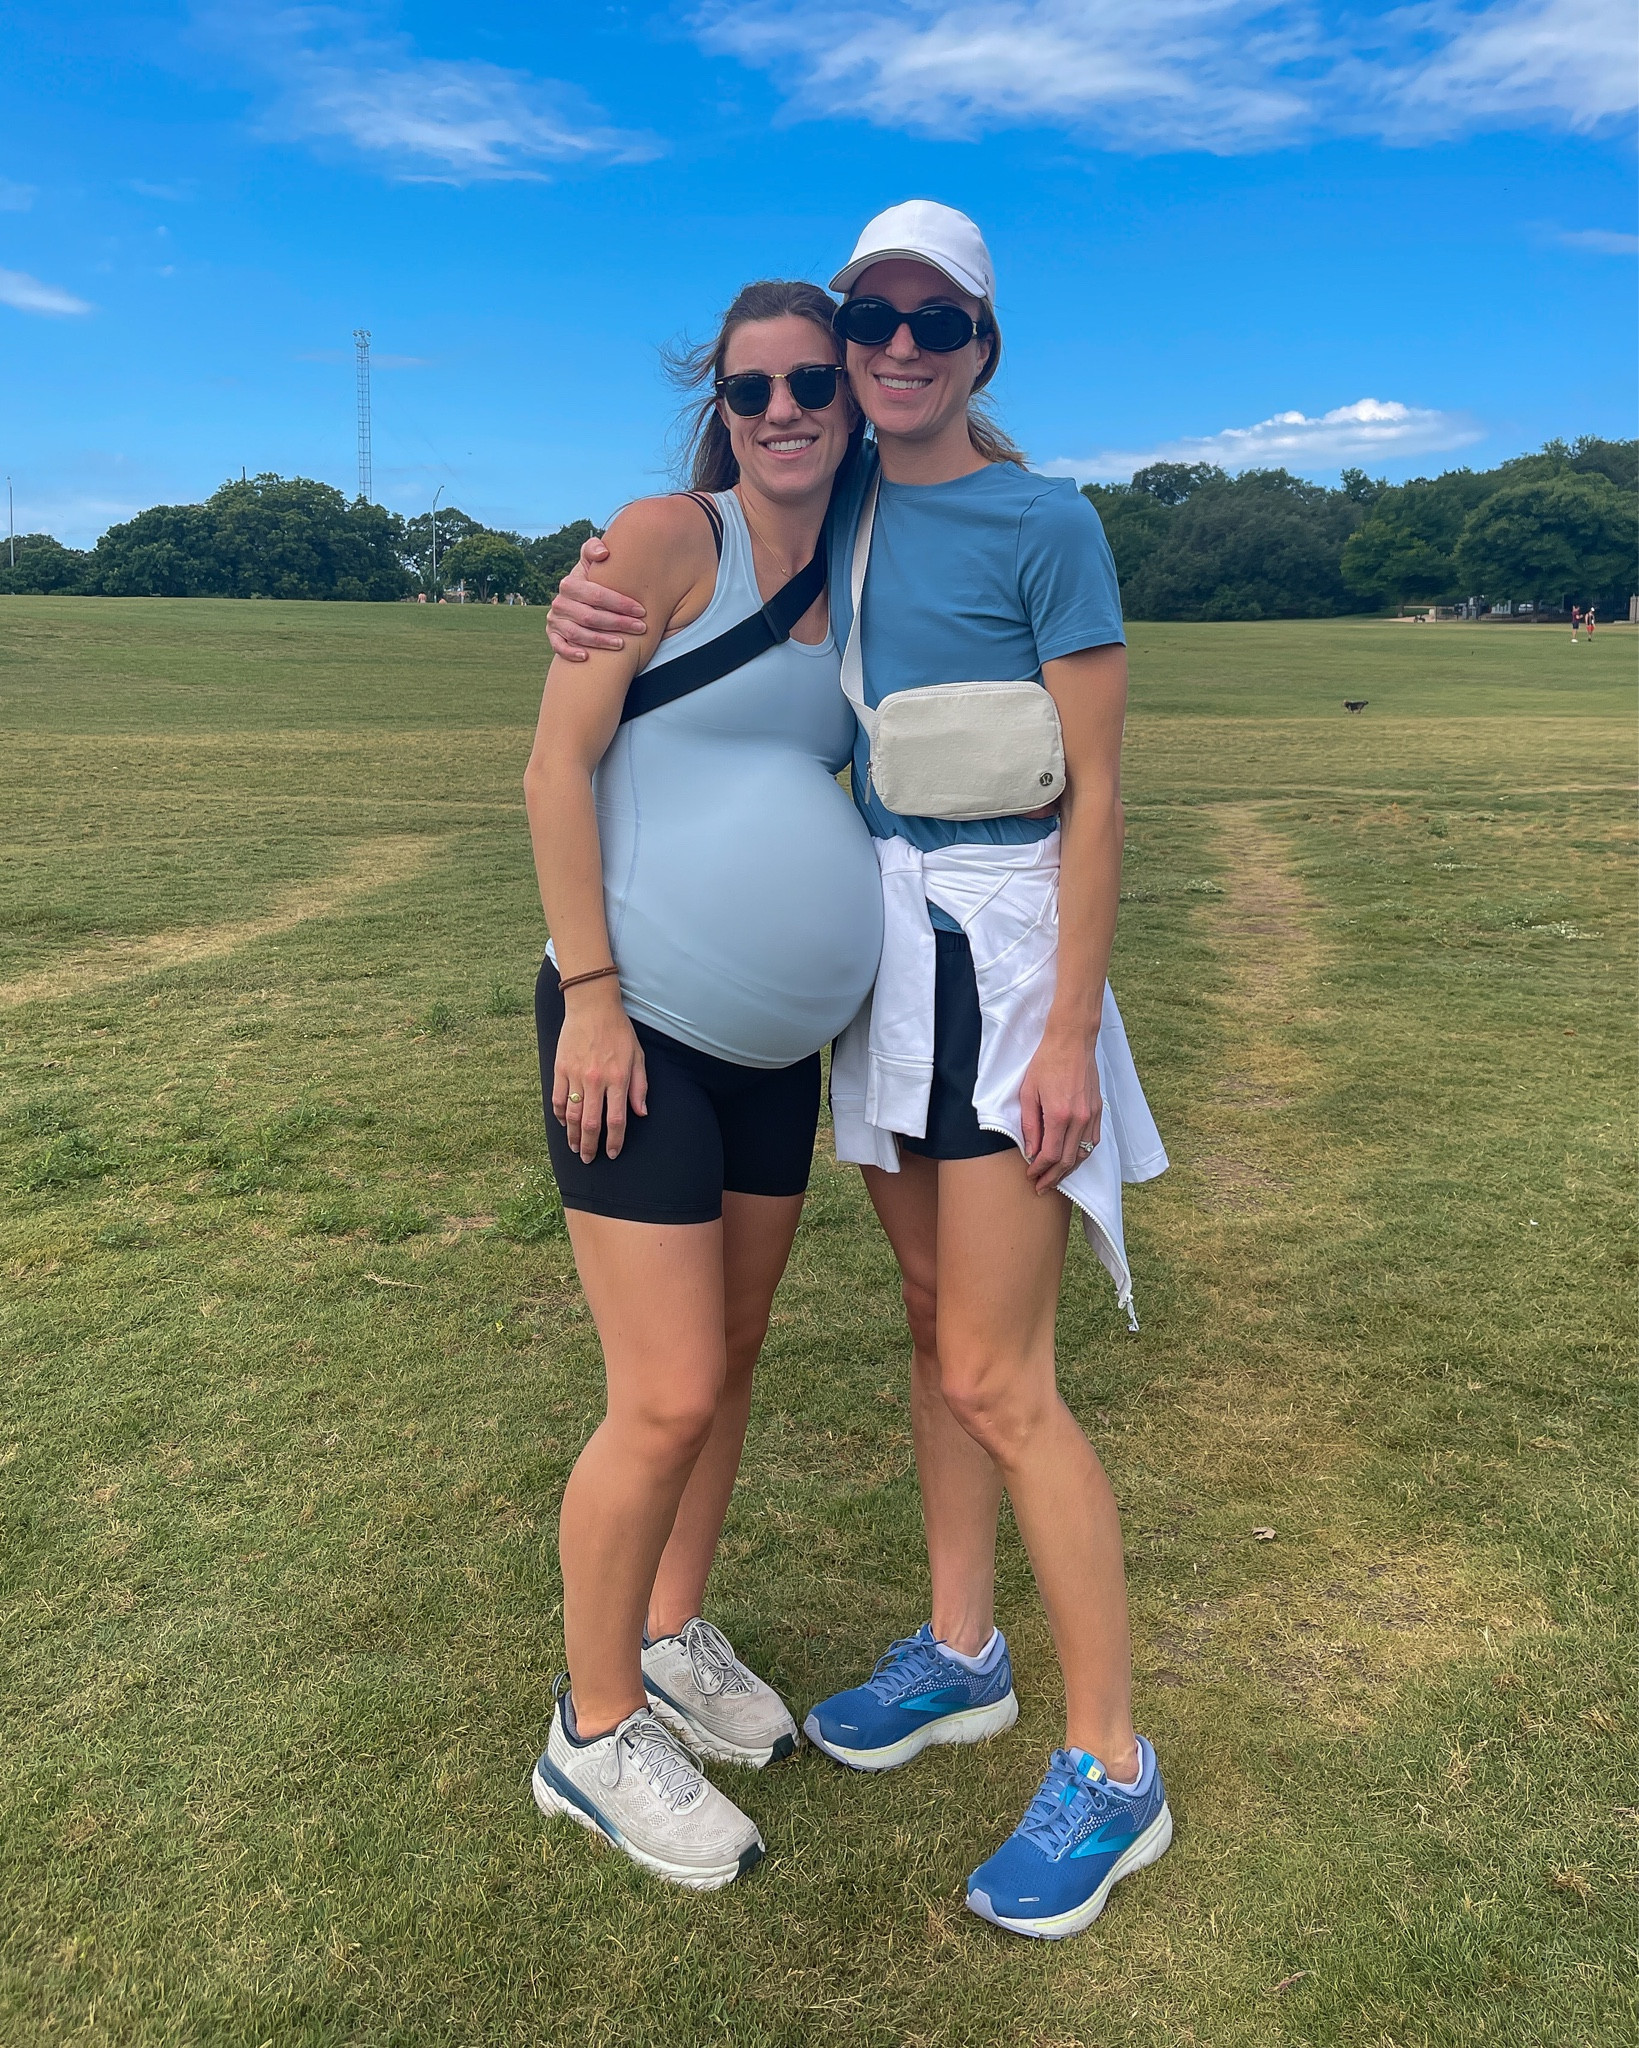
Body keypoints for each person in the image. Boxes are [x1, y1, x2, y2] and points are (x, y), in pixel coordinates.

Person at [550, 201, 1171, 1941]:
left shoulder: (1050, 519)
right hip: (883, 983)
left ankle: (1113, 1768)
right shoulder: (837, 512)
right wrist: (590, 597)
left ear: (981, 344)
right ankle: (962, 1651)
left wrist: (1067, 1036)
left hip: (1002, 964)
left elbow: (1102, 793)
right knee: (925, 1320)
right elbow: (693, 579)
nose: (884, 360)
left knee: (1001, 1371)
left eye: (922, 330)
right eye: (857, 334)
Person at [522, 279, 882, 1890]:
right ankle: (593, 1738)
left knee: (729, 1362)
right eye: (756, 388)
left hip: (773, 1054)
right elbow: (552, 768)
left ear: (857, 392)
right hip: (636, 1026)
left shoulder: (878, 560)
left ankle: (670, 1635)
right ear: (721, 406)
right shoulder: (671, 537)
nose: (788, 407)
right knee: (661, 1390)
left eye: (816, 379)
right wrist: (592, 998)